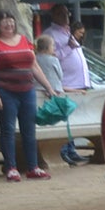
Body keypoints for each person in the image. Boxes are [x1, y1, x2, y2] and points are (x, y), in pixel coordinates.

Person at [0, 10, 61, 181]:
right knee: (8, 130)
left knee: (29, 130)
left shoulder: (24, 41)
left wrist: (49, 88)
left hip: (27, 90)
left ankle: (33, 167)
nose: (8, 24)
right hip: (5, 91)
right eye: (4, 21)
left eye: (11, 20)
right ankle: (11, 168)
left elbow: (34, 67)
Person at [36, 33, 84, 165]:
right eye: (52, 46)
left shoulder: (35, 59)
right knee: (63, 123)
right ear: (47, 48)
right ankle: (67, 151)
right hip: (55, 91)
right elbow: (60, 75)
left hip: (39, 92)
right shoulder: (53, 60)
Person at [46, 5, 90, 90]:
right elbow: (50, 59)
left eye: (67, 13)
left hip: (82, 85)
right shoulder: (50, 34)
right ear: (54, 15)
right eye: (61, 14)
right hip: (68, 85)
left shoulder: (70, 32)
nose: (65, 16)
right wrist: (68, 48)